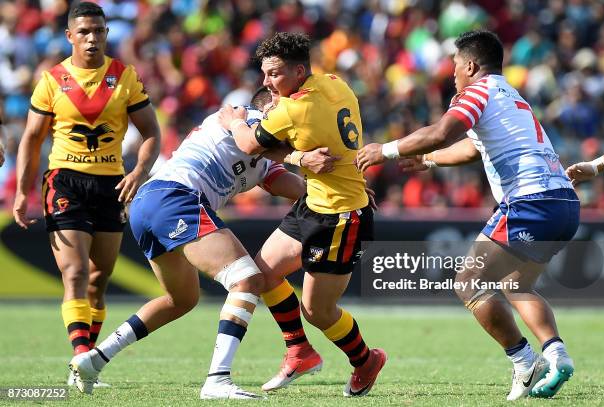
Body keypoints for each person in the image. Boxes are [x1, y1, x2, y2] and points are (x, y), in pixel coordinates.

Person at [68, 87, 339, 399]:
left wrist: (340, 195)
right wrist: (301, 156)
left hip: (153, 203)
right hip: (175, 197)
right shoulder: (243, 119)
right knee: (247, 280)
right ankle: (217, 380)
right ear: (271, 109)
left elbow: (286, 183)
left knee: (180, 300)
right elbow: (255, 142)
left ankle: (94, 360)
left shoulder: (261, 154)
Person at [356, 30, 579, 400]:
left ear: (471, 65)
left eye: (455, 66)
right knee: (515, 284)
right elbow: (470, 150)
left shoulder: (478, 91)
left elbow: (443, 132)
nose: (452, 74)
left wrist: (387, 150)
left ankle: (525, 362)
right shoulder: (510, 96)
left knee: (468, 280)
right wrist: (427, 160)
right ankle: (556, 354)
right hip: (564, 203)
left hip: (530, 199)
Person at [218, 32, 386, 398]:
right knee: (260, 275)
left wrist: (232, 120)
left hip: (340, 217)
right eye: (264, 73)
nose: (266, 82)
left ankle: (365, 361)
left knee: (317, 311)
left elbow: (248, 144)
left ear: (298, 71)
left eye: (274, 74)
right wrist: (299, 158)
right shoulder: (335, 83)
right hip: (315, 201)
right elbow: (305, 144)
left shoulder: (293, 109)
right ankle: (299, 351)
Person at [12, 1, 161, 387]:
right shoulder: (51, 80)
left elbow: (151, 133)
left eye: (98, 30)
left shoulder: (125, 77)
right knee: (75, 273)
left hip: (112, 184)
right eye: (84, 32)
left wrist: (140, 172)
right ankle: (81, 358)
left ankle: (85, 366)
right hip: (65, 182)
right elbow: (31, 139)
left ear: (107, 33)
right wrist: (21, 193)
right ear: (69, 36)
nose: (92, 38)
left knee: (99, 279)